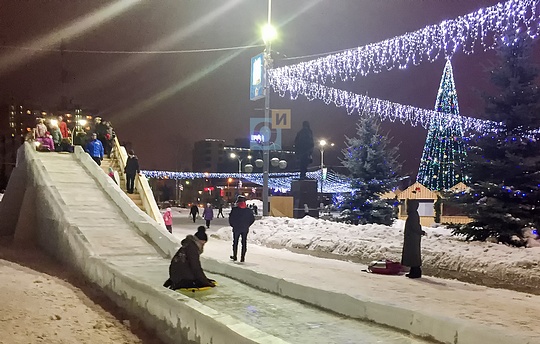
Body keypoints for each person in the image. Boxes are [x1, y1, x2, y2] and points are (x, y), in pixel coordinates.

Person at [401, 199, 426, 279]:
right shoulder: (413, 214)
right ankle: (413, 271)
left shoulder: (413, 215)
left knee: (413, 254)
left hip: (412, 238)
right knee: (413, 255)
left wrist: (420, 232)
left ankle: (416, 272)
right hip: (412, 237)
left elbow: (414, 226)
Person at [229, 195, 255, 263]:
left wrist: (233, 225)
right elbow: (252, 219)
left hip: (236, 228)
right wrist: (247, 225)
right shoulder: (248, 210)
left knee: (235, 242)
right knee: (244, 243)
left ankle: (235, 256)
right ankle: (242, 258)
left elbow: (231, 219)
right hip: (245, 229)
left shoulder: (234, 210)